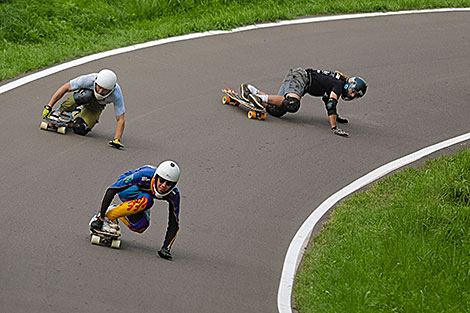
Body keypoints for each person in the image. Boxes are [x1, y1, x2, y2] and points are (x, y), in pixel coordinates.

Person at [89, 161, 181, 260]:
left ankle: (117, 211)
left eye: (168, 183)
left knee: (140, 226)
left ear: (174, 184)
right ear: (157, 177)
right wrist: (100, 218)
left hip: (140, 197)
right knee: (147, 200)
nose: (163, 185)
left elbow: (174, 223)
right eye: (162, 180)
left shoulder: (174, 195)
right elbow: (112, 190)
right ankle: (109, 215)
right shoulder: (144, 175)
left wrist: (165, 248)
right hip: (128, 189)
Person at [240, 68, 367, 137]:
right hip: (300, 78)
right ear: (350, 84)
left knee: (277, 111)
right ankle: (260, 99)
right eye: (353, 91)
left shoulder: (338, 83)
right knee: (293, 104)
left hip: (298, 79)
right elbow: (331, 104)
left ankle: (252, 91)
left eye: (356, 95)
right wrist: (334, 128)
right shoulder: (339, 84)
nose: (352, 95)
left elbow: (327, 101)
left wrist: (336, 117)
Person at [42, 69, 126, 148]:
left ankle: (75, 115)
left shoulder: (116, 94)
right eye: (99, 87)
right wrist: (49, 106)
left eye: (104, 90)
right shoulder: (88, 80)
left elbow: (120, 119)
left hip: (97, 105)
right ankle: (59, 112)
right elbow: (66, 87)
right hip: (85, 95)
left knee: (80, 129)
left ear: (111, 90)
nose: (100, 91)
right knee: (85, 95)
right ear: (96, 83)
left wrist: (116, 139)